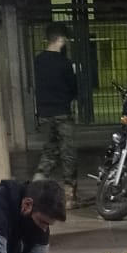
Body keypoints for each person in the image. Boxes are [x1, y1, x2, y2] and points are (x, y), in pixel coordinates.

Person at [33, 26, 79, 207]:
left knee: (49, 150)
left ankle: (36, 187)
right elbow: (73, 88)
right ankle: (69, 195)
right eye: (64, 39)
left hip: (44, 113)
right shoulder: (65, 63)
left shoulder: (38, 61)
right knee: (68, 152)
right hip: (62, 112)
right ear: (60, 39)